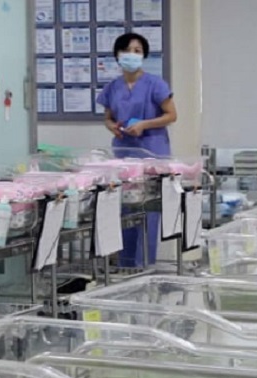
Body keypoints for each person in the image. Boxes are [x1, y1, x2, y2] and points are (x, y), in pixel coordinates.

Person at [96, 32, 177, 268]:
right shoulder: (113, 87)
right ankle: (125, 266)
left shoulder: (155, 84)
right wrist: (112, 126)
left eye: (137, 51)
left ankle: (145, 267)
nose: (131, 55)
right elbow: (108, 117)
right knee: (125, 211)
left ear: (143, 56)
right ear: (117, 55)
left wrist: (144, 124)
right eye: (127, 50)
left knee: (148, 212)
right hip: (124, 154)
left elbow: (172, 115)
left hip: (153, 153)